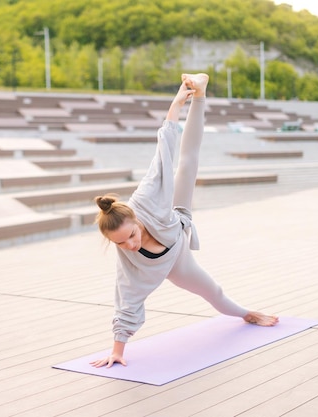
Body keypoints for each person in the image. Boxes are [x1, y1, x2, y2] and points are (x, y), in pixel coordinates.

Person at [91, 73, 278, 369]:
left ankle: (200, 92)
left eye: (131, 235)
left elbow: (164, 146)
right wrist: (118, 350)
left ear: (137, 219)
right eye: (120, 243)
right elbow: (127, 301)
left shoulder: (146, 197)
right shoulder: (128, 259)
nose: (130, 244)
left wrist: (179, 101)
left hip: (174, 221)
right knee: (211, 291)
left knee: (188, 162)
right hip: (173, 265)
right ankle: (247, 313)